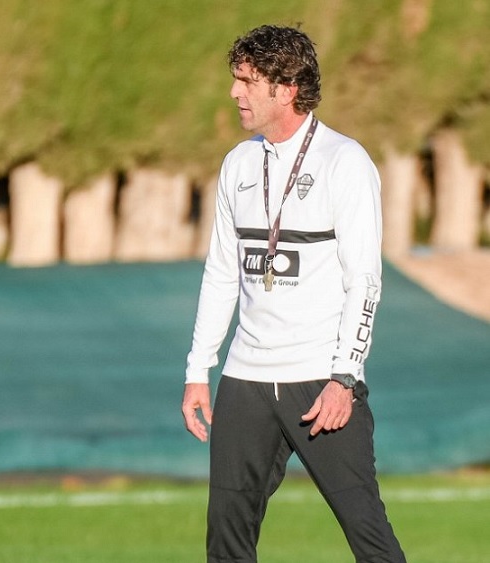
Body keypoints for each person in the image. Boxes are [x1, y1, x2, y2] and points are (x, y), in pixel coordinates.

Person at [181, 25, 407, 563]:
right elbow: (220, 273)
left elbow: (365, 282)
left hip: (320, 382)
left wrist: (344, 378)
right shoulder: (237, 163)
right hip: (245, 379)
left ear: (284, 89)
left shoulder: (344, 162)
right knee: (226, 540)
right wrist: (198, 370)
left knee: (367, 534)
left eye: (246, 81)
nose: (235, 93)